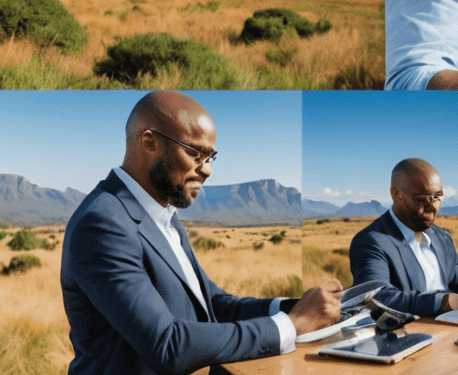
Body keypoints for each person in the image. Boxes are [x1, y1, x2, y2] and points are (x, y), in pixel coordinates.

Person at [61, 90, 342, 375]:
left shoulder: (163, 216)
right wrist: (291, 326)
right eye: (195, 153)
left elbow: (213, 305)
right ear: (149, 141)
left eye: (210, 157)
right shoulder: (102, 224)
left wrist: (297, 307)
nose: (206, 170)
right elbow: (167, 345)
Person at [349, 158, 458, 319]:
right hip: (411, 336)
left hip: (457, 328)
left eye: (437, 197)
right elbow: (375, 298)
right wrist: (444, 301)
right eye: (421, 199)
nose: (432, 207)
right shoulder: (371, 242)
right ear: (396, 194)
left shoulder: (442, 237)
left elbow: (455, 271)